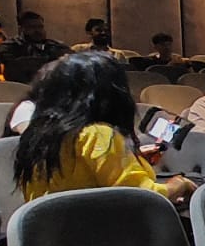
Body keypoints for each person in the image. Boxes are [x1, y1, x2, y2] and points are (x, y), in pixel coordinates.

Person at [12, 52, 195, 205]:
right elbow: (143, 197)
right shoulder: (98, 134)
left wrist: (126, 159)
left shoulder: (37, 134)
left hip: (51, 234)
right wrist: (180, 184)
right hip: (100, 233)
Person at [1, 11, 69, 62]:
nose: (38, 31)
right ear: (21, 29)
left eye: (40, 27)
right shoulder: (10, 46)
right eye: (32, 27)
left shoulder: (55, 46)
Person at [69, 18, 138, 60]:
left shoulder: (118, 55)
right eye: (98, 30)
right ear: (89, 32)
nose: (103, 33)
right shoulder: (78, 50)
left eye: (106, 30)